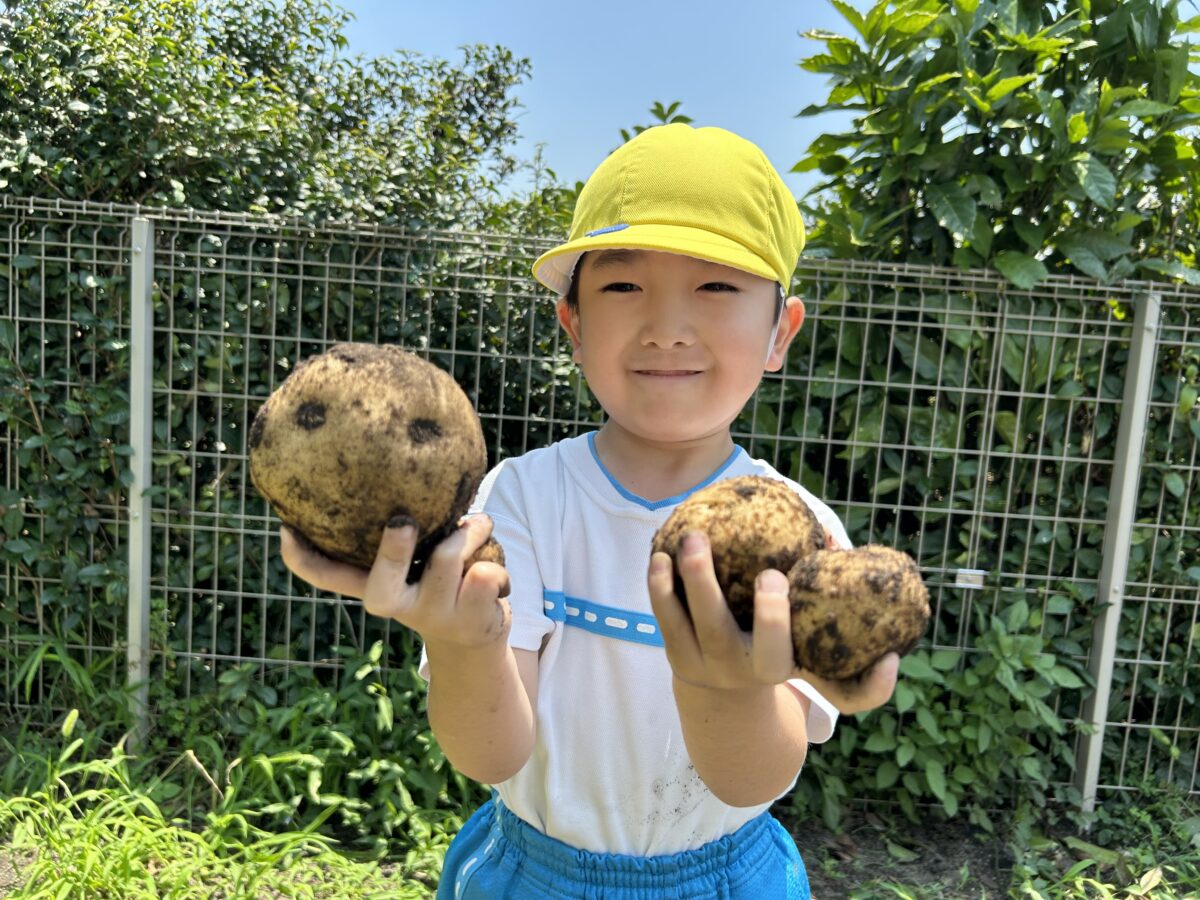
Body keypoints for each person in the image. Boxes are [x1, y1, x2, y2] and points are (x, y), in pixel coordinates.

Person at [281, 123, 900, 899]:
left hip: (726, 877)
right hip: (533, 873)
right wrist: (464, 641)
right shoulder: (523, 500)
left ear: (781, 331)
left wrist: (728, 685)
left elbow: (751, 783)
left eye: (715, 286)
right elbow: (492, 755)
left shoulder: (802, 534)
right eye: (622, 286)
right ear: (573, 325)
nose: (667, 326)